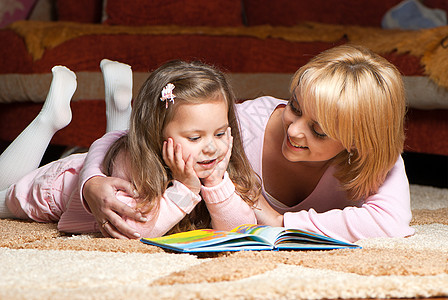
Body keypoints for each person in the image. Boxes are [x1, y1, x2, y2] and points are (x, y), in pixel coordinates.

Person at [83, 44, 415, 243]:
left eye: (319, 131)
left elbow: (389, 223)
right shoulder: (245, 124)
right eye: (295, 107)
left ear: (358, 144)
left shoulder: (377, 158)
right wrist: (91, 183)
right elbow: (127, 139)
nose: (295, 130)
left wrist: (280, 221)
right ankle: (120, 107)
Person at [0, 59, 259, 238]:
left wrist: (216, 185)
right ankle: (47, 121)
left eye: (221, 133)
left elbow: (241, 228)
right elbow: (135, 229)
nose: (212, 147)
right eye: (194, 138)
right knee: (3, 196)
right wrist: (185, 190)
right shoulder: (132, 164)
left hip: (102, 156)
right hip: (55, 187)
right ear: (156, 135)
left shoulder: (213, 166)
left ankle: (120, 107)